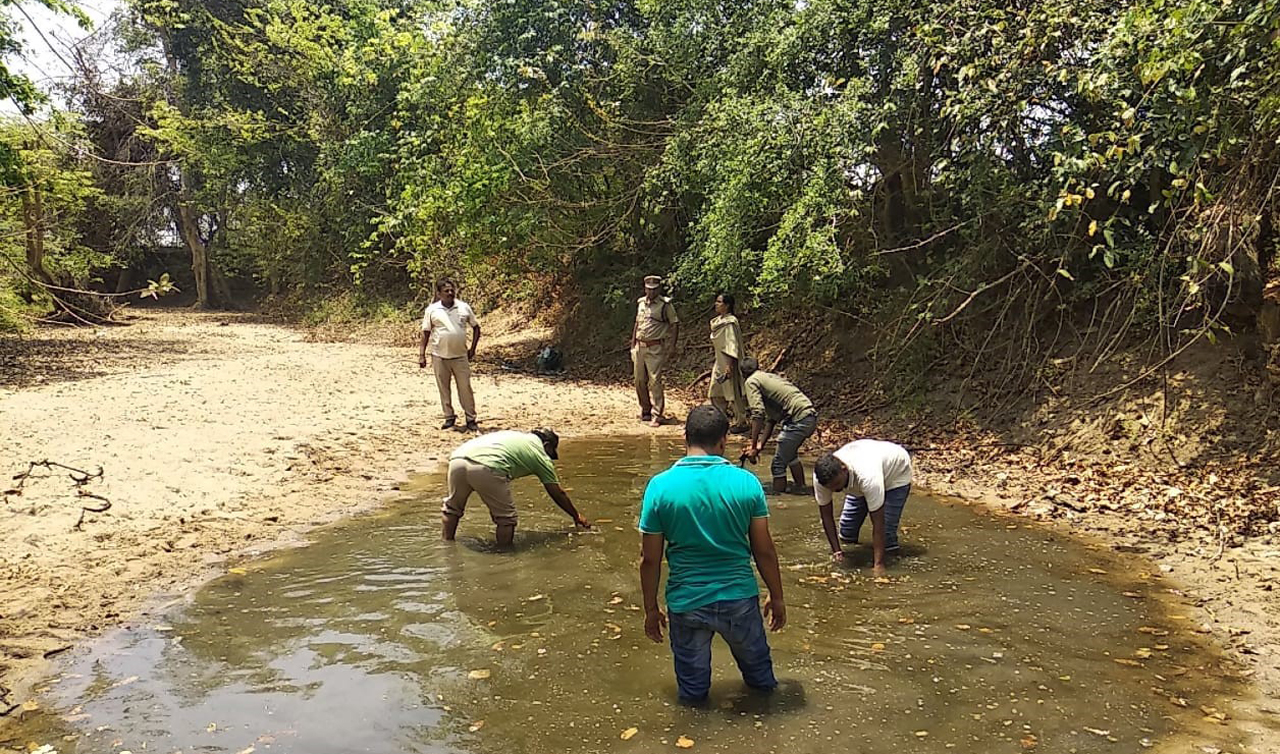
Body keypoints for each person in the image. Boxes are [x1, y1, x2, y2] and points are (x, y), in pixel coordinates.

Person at [639, 405, 786, 705]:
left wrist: (651, 609)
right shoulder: (746, 483)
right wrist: (777, 596)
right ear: (723, 440)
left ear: (685, 437)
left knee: (693, 697)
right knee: (762, 685)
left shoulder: (660, 487)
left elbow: (650, 559)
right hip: (739, 599)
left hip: (687, 602)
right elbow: (764, 550)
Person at [443, 428, 591, 547]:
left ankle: (447, 546)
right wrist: (576, 516)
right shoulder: (540, 455)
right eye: (551, 453)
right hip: (487, 467)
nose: (550, 458)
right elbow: (557, 493)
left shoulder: (514, 436)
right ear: (547, 446)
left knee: (452, 509)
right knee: (506, 519)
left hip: (457, 460)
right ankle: (504, 557)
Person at [812, 440, 913, 578]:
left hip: (895, 474)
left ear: (844, 470)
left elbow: (878, 523)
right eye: (830, 487)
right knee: (847, 533)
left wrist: (878, 565)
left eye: (837, 484)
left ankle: (889, 559)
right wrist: (837, 552)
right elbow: (826, 516)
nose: (834, 490)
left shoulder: (868, 476)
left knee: (887, 535)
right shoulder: (821, 479)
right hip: (860, 477)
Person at [741, 358, 818, 494]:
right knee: (789, 455)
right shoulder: (768, 377)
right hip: (808, 416)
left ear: (742, 374)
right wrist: (759, 446)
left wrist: (752, 447)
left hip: (798, 418)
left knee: (778, 464)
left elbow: (758, 414)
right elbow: (771, 421)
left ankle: (778, 496)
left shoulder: (751, 381)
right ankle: (801, 488)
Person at [419, 279, 482, 431]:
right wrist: (422, 355)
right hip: (439, 356)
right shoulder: (432, 310)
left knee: (465, 388)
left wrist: (472, 349)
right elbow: (426, 332)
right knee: (444, 388)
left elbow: (476, 327)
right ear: (439, 293)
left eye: (452, 290)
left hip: (460, 356)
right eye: (446, 291)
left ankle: (470, 418)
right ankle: (449, 417)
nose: (450, 293)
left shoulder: (463, 307)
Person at [630, 275, 680, 427]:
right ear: (645, 288)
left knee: (655, 381)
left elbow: (675, 324)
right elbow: (637, 324)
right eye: (648, 289)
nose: (651, 292)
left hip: (655, 347)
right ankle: (646, 409)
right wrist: (633, 344)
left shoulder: (665, 305)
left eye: (654, 289)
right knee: (639, 380)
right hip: (640, 346)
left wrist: (672, 346)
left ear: (658, 289)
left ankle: (657, 414)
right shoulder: (641, 303)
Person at [708, 293, 749, 433]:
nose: (716, 304)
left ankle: (741, 422)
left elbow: (732, 345)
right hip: (719, 361)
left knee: (733, 393)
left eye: (719, 302)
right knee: (715, 391)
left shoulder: (730, 323)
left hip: (728, 362)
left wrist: (729, 365)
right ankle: (720, 419)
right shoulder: (718, 322)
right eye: (716, 301)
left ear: (727, 305)